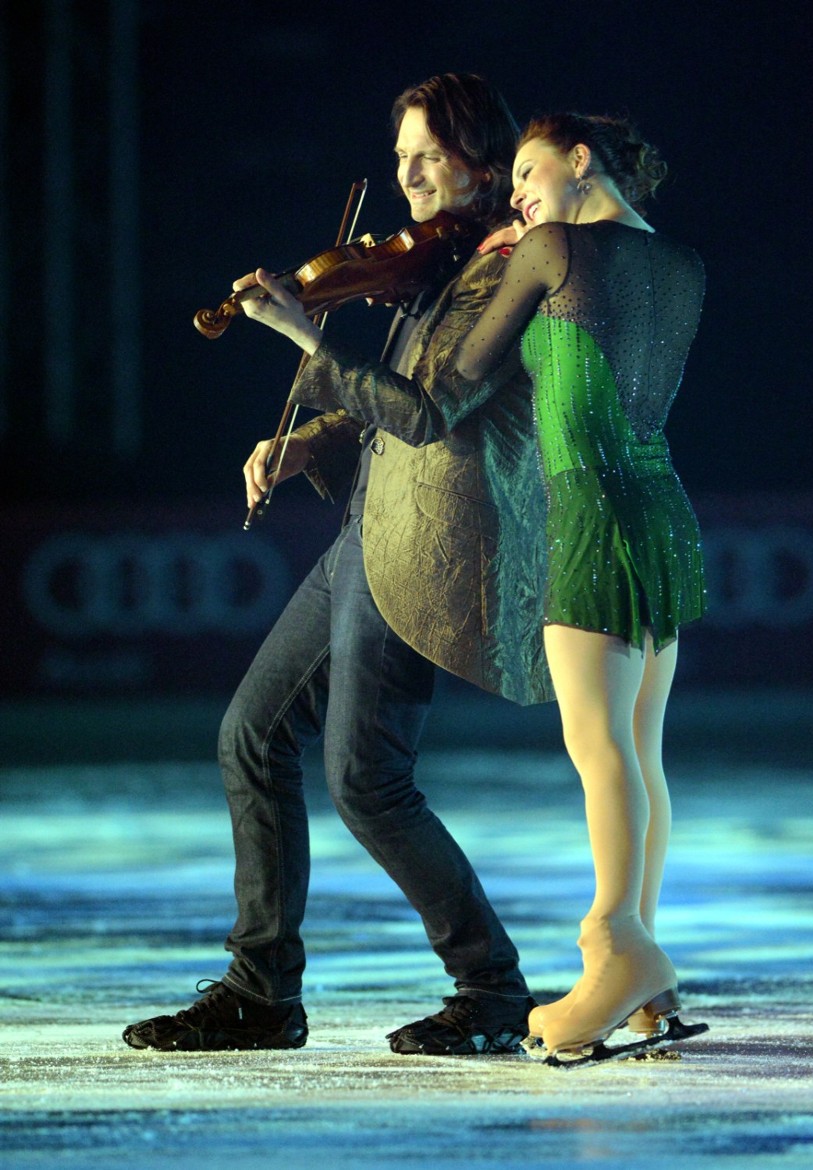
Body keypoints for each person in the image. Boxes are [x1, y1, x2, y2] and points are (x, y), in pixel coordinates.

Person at [122, 74, 553, 1057]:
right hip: (367, 525)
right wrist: (310, 441)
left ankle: (491, 989)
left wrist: (306, 338)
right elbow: (379, 408)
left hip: (427, 543)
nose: (405, 179)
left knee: (367, 779)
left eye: (426, 159)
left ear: (479, 161)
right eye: (399, 158)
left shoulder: (502, 271)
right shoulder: (431, 266)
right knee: (250, 736)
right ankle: (262, 991)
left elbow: (427, 410)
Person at [448, 113, 707, 1059]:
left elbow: (454, 385)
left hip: (592, 510)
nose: (515, 190)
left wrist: (311, 341)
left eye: (527, 170)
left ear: (580, 162)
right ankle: (644, 971)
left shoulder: (550, 247)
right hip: (660, 508)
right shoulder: (683, 265)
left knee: (599, 744)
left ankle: (617, 950)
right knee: (641, 747)